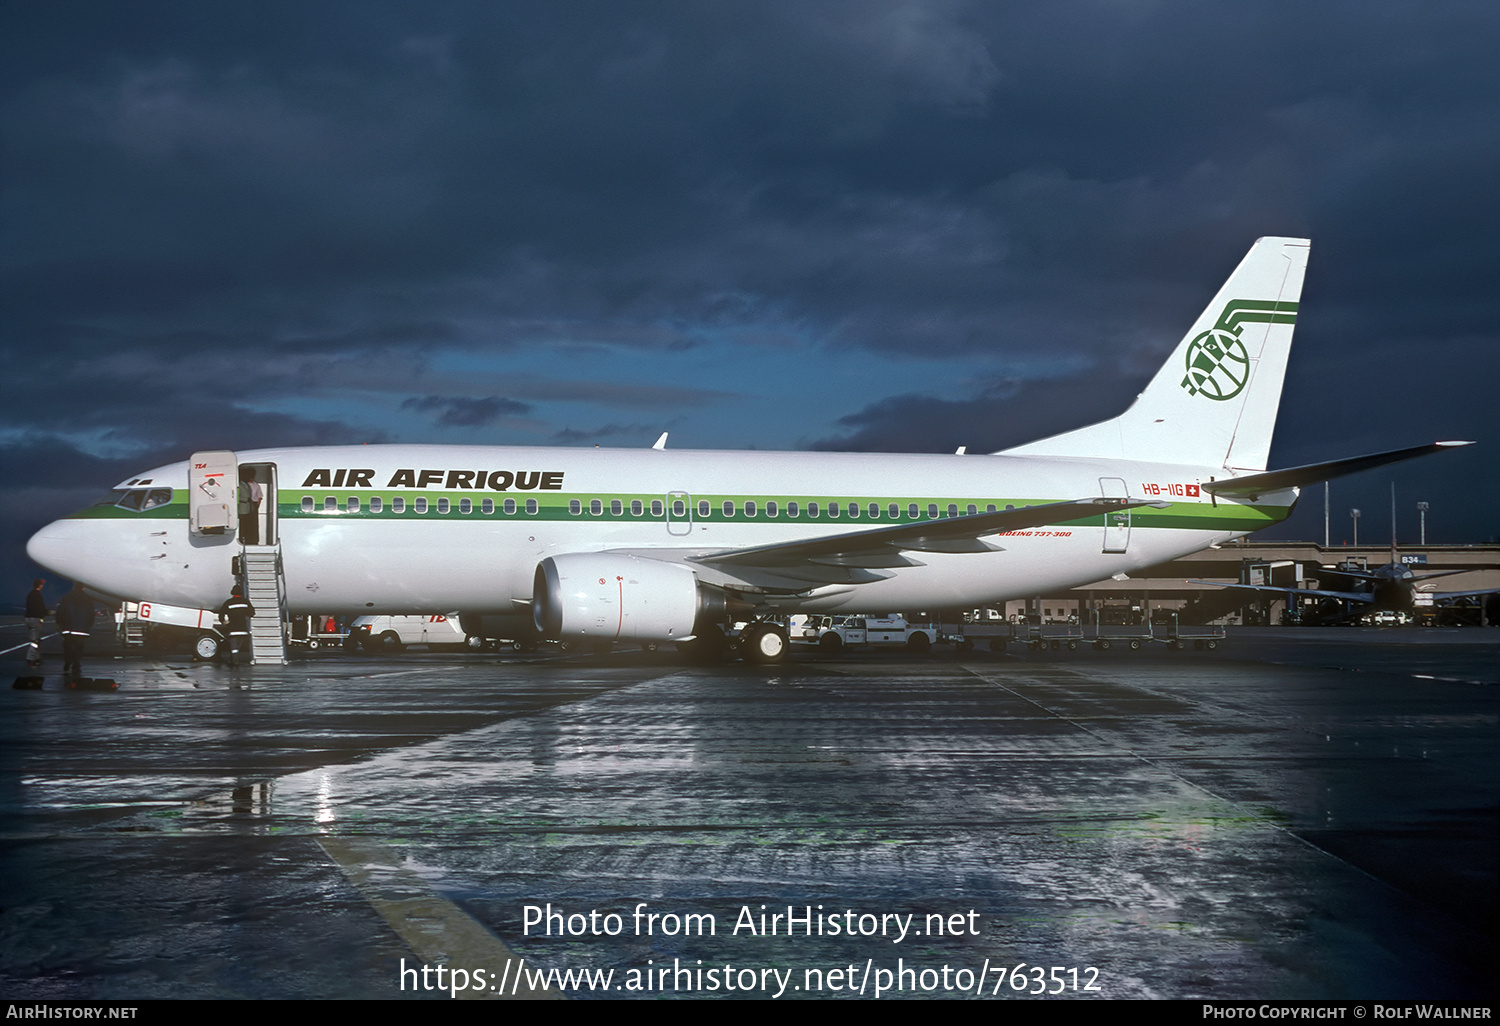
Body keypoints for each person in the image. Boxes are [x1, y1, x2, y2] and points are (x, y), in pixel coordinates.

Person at [55, 582, 95, 677]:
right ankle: (76, 664)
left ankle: (67, 663)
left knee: (67, 646)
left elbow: (60, 611)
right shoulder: (88, 599)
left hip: (68, 628)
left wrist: (59, 622)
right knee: (78, 647)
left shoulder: (66, 597)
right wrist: (88, 625)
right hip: (82, 629)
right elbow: (91, 615)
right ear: (83, 588)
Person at [219, 585, 255, 666]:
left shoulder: (228, 602)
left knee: (234, 648)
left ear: (232, 593)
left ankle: (235, 661)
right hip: (243, 630)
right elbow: (252, 613)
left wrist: (223, 621)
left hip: (233, 629)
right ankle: (232, 660)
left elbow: (221, 613)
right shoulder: (245, 602)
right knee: (237, 647)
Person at [24, 578, 48, 667]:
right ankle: (30, 658)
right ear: (40, 585)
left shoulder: (30, 594)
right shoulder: (38, 595)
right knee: (35, 641)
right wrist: (47, 612)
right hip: (35, 619)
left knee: (35, 639)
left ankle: (36, 658)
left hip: (28, 618)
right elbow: (40, 607)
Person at [238, 467, 263, 545]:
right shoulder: (242, 484)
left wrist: (255, 507)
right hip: (245, 506)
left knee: (253, 525)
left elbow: (259, 497)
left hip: (253, 506)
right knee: (245, 524)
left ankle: (253, 540)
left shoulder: (256, 485)